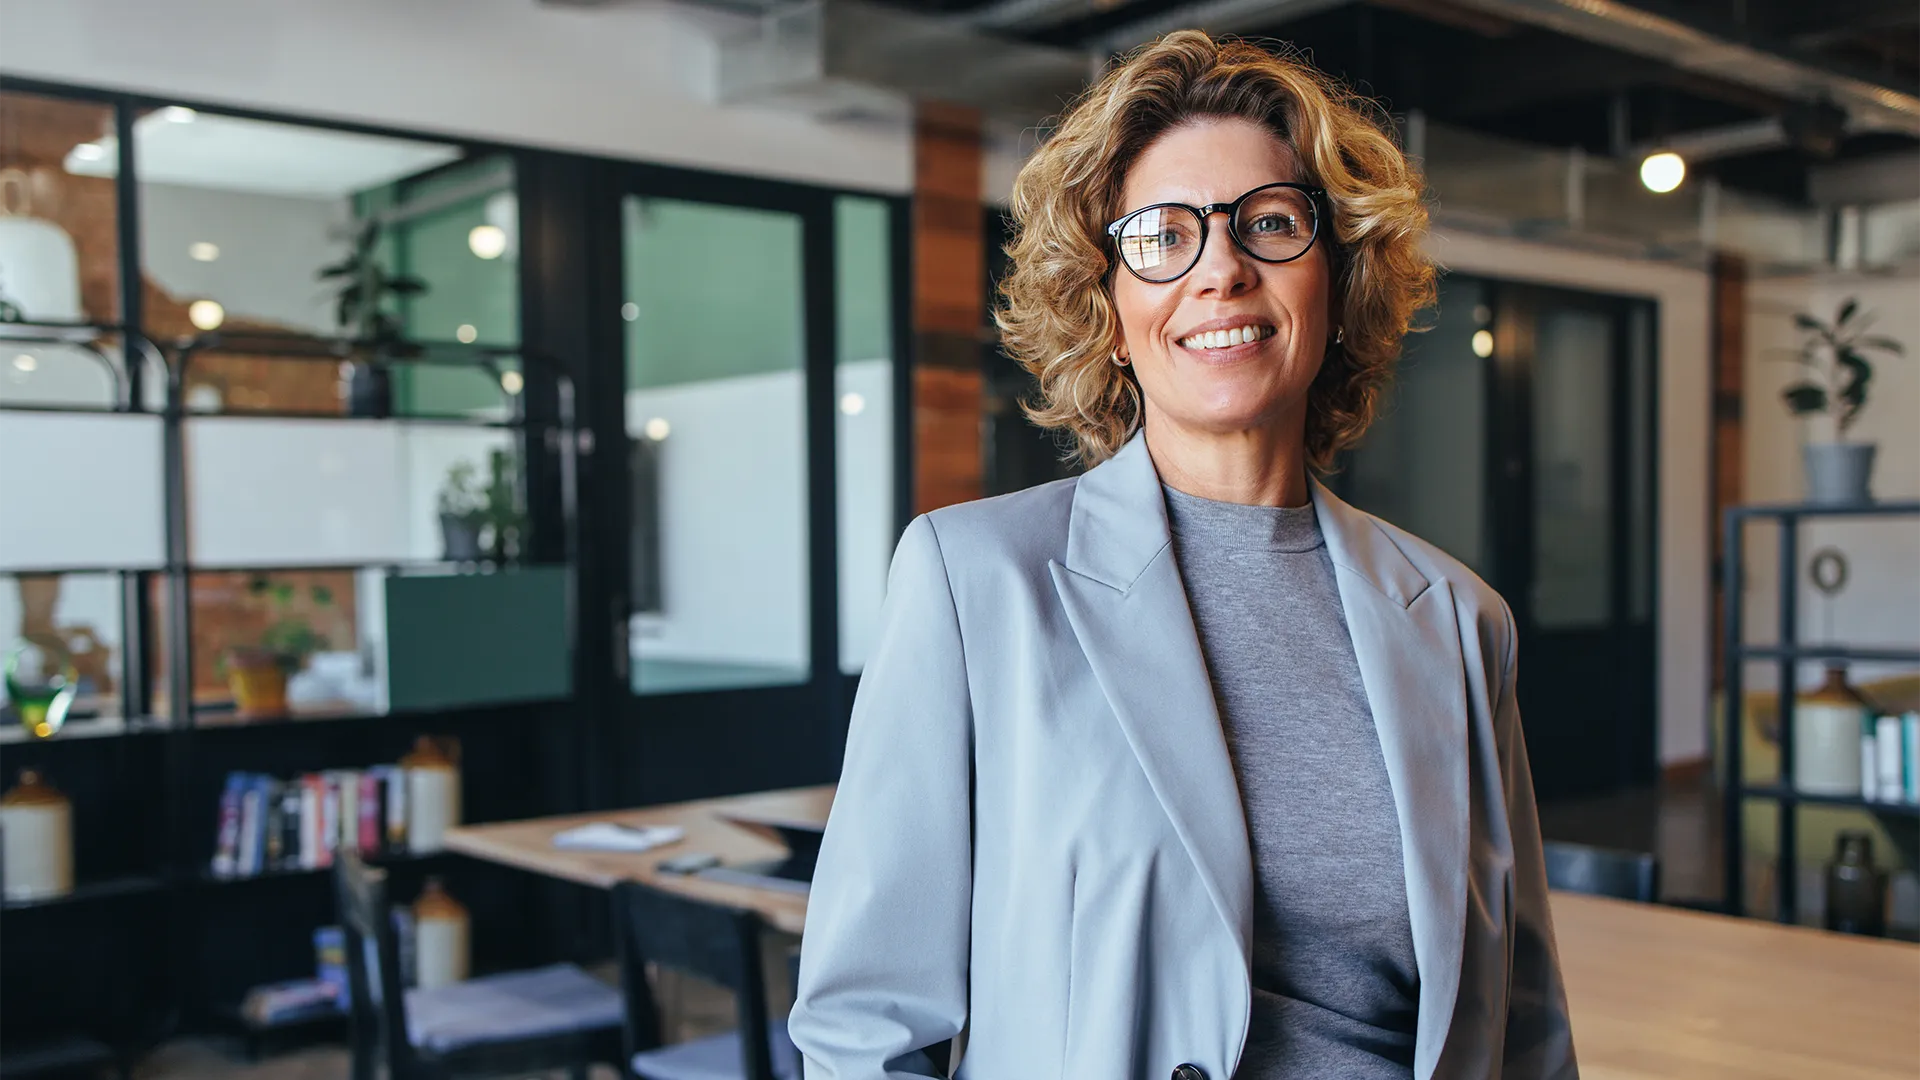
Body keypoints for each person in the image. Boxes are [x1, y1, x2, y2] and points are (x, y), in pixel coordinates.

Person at [789, 30, 1576, 1080]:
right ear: (1109, 307)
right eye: (1162, 237)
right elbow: (866, 1024)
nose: (1223, 271)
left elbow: (1522, 1031)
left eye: (1271, 224)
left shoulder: (1459, 619)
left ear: (1336, 286)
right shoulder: (975, 581)